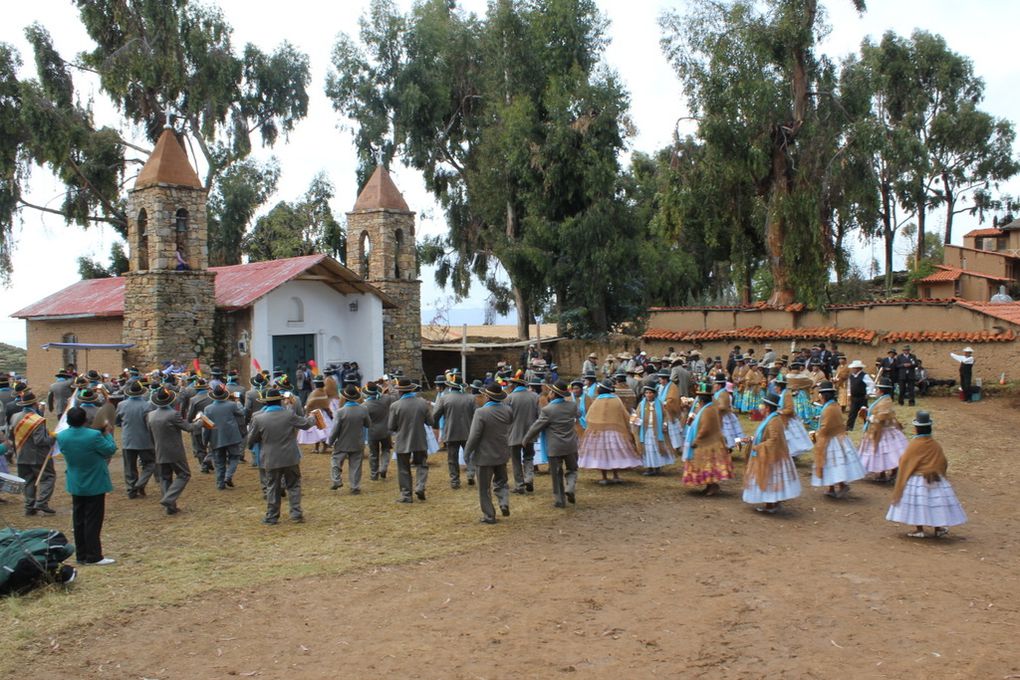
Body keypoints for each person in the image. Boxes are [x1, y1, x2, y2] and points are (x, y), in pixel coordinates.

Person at [886, 411, 967, 538]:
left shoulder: (914, 444)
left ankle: (920, 529)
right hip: (935, 479)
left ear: (916, 429)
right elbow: (943, 462)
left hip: (918, 480)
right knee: (935, 504)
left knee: (918, 505)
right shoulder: (935, 444)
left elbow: (905, 460)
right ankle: (938, 528)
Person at [56, 406, 117, 565]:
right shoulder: (93, 435)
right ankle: (94, 556)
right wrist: (108, 433)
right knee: (93, 521)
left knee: (78, 520)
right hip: (95, 482)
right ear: (85, 420)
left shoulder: (62, 436)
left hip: (76, 482)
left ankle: (81, 555)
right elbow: (110, 449)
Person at [247, 388, 317, 524]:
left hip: (270, 458)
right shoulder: (289, 415)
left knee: (272, 486)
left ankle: (272, 516)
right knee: (294, 485)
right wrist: (313, 417)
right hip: (290, 457)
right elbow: (306, 424)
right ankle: (296, 514)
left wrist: (253, 446)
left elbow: (251, 440)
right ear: (280, 401)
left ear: (265, 402)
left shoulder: (258, 418)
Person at [146, 387, 203, 515]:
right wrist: (200, 422)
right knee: (184, 475)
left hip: (159, 450)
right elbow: (188, 428)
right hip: (174, 451)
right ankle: (168, 499)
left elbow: (150, 435)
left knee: (165, 478)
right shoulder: (173, 414)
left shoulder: (150, 416)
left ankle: (170, 507)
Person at [523, 381, 579, 508]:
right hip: (571, 445)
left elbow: (536, 427)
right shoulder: (572, 406)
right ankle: (570, 487)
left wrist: (526, 439)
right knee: (572, 469)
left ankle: (559, 500)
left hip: (554, 447)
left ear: (553, 394)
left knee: (556, 474)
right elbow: (578, 415)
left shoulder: (548, 410)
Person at [743, 392, 801, 513]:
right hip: (773, 455)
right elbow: (764, 436)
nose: (760, 407)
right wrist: (752, 440)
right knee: (772, 482)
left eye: (762, 405)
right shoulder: (771, 419)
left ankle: (771, 505)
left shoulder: (773, 421)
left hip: (772, 457)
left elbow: (773, 440)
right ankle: (773, 503)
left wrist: (758, 447)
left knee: (769, 481)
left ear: (768, 408)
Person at [465, 383, 512, 523]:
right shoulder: (508, 410)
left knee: (484, 488)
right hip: (502, 451)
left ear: (487, 396)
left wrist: (467, 452)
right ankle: (504, 502)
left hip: (484, 455)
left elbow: (474, 436)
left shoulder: (480, 413)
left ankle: (489, 515)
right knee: (502, 482)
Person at [578, 380, 641, 485]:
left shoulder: (597, 401)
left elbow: (589, 416)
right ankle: (616, 475)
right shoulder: (616, 400)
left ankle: (604, 477)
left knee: (601, 454)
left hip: (598, 433)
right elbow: (624, 414)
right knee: (615, 453)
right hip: (615, 432)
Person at [810, 381, 866, 499]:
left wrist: (816, 435)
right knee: (831, 465)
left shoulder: (829, 409)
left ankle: (841, 485)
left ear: (824, 395)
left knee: (832, 464)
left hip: (831, 440)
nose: (819, 396)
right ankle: (831, 488)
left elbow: (826, 427)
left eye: (820, 394)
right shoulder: (834, 405)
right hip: (837, 437)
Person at [681, 382, 733, 495]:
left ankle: (713, 486)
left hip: (709, 444)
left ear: (702, 399)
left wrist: (697, 440)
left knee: (709, 467)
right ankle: (710, 486)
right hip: (709, 442)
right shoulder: (708, 408)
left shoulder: (708, 410)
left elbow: (706, 428)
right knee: (708, 466)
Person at [11, 391, 57, 516]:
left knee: (28, 480)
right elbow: (40, 441)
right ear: (35, 404)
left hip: (21, 454)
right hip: (38, 455)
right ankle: (42, 502)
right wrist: (53, 437)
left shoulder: (15, 417)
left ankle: (29, 506)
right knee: (48, 477)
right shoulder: (38, 420)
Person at [388, 378, 433, 503]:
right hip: (419, 439)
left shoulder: (395, 406)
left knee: (403, 468)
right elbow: (431, 422)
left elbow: (391, 427)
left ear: (400, 392)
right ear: (411, 389)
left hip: (402, 440)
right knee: (422, 465)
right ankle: (420, 486)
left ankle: (406, 495)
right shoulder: (422, 403)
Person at [857, 378, 908, 482]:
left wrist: (869, 418)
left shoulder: (885, 401)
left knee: (884, 452)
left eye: (877, 389)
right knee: (887, 453)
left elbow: (882, 416)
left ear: (881, 390)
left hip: (883, 431)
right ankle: (887, 472)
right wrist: (867, 411)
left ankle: (885, 473)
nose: (876, 391)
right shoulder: (882, 400)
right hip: (879, 429)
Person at [432, 377, 477, 490]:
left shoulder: (444, 398)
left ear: (450, 386)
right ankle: (471, 473)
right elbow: (477, 415)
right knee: (469, 455)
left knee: (452, 458)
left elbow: (435, 415)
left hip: (451, 432)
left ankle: (455, 481)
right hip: (468, 431)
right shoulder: (471, 398)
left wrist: (434, 425)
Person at [115, 381, 156, 499]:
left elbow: (117, 420)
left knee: (129, 467)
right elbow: (150, 423)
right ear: (141, 392)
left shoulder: (121, 405)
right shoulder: (147, 405)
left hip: (128, 439)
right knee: (150, 463)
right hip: (145, 440)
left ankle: (131, 489)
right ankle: (140, 484)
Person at [327, 385, 370, 494]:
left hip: (342, 442)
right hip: (357, 442)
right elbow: (368, 424)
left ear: (345, 398)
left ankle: (336, 480)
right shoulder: (363, 409)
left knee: (335, 461)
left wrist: (330, 441)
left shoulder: (340, 412)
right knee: (355, 466)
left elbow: (335, 429)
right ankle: (355, 486)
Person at [204, 385, 247, 490]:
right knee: (234, 457)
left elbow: (206, 426)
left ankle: (220, 483)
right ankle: (228, 476)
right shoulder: (232, 405)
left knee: (219, 461)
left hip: (216, 438)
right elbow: (242, 413)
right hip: (232, 436)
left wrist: (205, 441)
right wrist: (237, 401)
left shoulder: (208, 409)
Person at [505, 375, 539, 494]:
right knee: (529, 457)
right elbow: (539, 415)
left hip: (514, 434)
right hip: (530, 433)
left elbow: (506, 417)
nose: (509, 386)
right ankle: (529, 477)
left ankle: (519, 485)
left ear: (514, 385)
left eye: (510, 384)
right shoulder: (535, 396)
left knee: (516, 460)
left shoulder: (509, 398)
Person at [635, 384, 676, 476]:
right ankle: (649, 467)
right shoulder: (641, 404)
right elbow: (637, 415)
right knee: (648, 449)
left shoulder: (660, 404)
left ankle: (657, 467)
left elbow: (665, 415)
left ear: (654, 394)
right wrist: (636, 421)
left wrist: (665, 423)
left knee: (656, 448)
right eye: (646, 393)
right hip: (645, 431)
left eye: (650, 393)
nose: (648, 395)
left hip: (657, 431)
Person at [774, 374, 813, 458]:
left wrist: (780, 412)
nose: (774, 388)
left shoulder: (787, 395)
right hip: (781, 420)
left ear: (780, 386)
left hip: (787, 421)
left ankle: (790, 455)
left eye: (776, 386)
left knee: (791, 440)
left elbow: (790, 409)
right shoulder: (781, 394)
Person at [362, 382, 394, 481]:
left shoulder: (365, 405)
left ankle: (374, 474)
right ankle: (383, 467)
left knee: (373, 453)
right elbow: (393, 395)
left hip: (372, 432)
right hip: (386, 430)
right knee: (386, 450)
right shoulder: (386, 399)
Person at [844, 360, 874, 431]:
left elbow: (871, 384)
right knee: (852, 413)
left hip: (862, 397)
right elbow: (849, 386)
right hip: (854, 397)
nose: (853, 369)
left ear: (858, 368)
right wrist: (849, 395)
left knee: (864, 412)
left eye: (854, 368)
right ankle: (849, 426)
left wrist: (868, 393)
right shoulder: (851, 376)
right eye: (853, 368)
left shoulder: (864, 376)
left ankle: (867, 426)